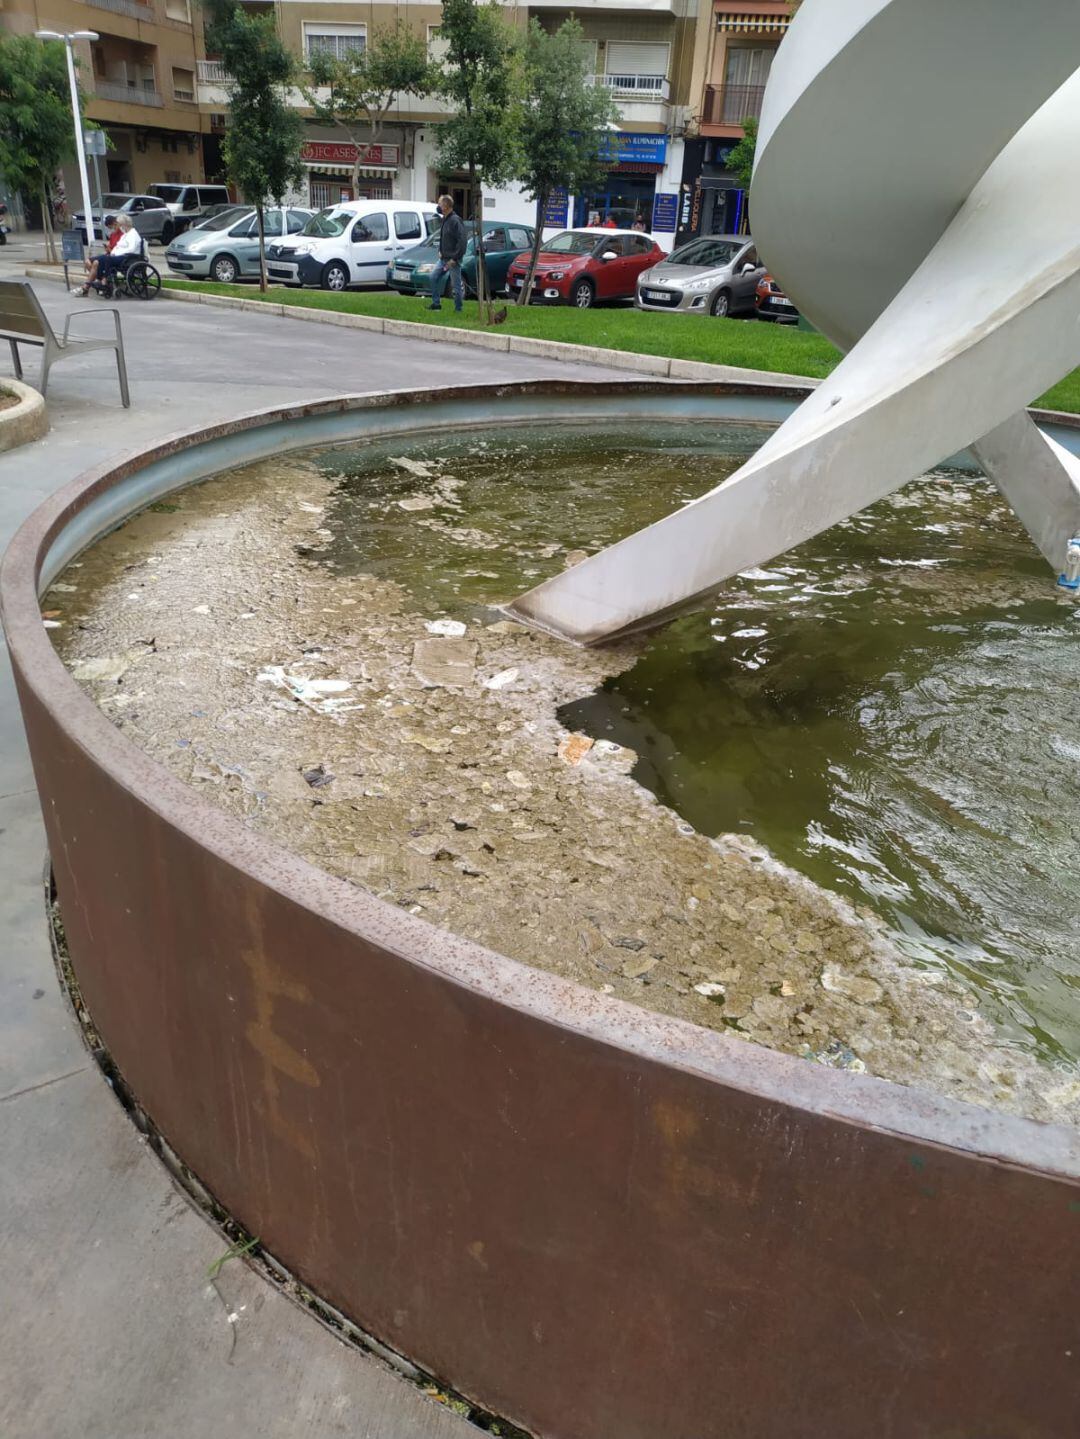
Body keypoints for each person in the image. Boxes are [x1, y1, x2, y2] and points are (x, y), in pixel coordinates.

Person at [427, 194, 467, 312]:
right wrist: (440, 250)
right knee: (433, 277)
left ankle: (458, 308)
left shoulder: (455, 220)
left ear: (445, 206)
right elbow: (444, 238)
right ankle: (436, 304)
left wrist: (455, 259)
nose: (438, 206)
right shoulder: (445, 218)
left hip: (452, 260)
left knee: (455, 285)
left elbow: (462, 241)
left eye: (440, 204)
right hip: (443, 258)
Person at [95, 213, 145, 294]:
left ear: (124, 225)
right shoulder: (125, 235)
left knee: (107, 259)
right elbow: (117, 246)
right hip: (120, 256)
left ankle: (104, 281)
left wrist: (116, 253)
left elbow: (131, 249)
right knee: (101, 258)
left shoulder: (133, 234)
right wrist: (113, 252)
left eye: (120, 225)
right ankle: (99, 280)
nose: (119, 227)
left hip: (128, 258)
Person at [74, 216, 121, 296]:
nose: (113, 229)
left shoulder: (122, 235)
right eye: (111, 228)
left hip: (112, 257)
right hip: (108, 255)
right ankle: (100, 280)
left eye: (113, 227)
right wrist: (107, 248)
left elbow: (117, 251)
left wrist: (109, 250)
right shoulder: (113, 235)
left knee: (95, 263)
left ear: (116, 224)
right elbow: (110, 246)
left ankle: (85, 288)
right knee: (87, 262)